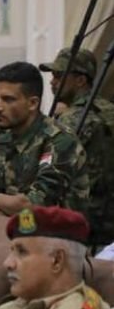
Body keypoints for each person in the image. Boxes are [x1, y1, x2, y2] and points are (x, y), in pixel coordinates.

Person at [0, 62, 88, 215]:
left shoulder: (60, 140)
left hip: (54, 228)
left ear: (32, 103)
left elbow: (34, 205)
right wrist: (0, 205)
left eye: (8, 99)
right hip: (2, 226)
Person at [40, 47, 114, 250]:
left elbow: (53, 173)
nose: (52, 82)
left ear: (81, 80)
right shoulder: (108, 110)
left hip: (82, 224)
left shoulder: (72, 119)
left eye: (59, 76)